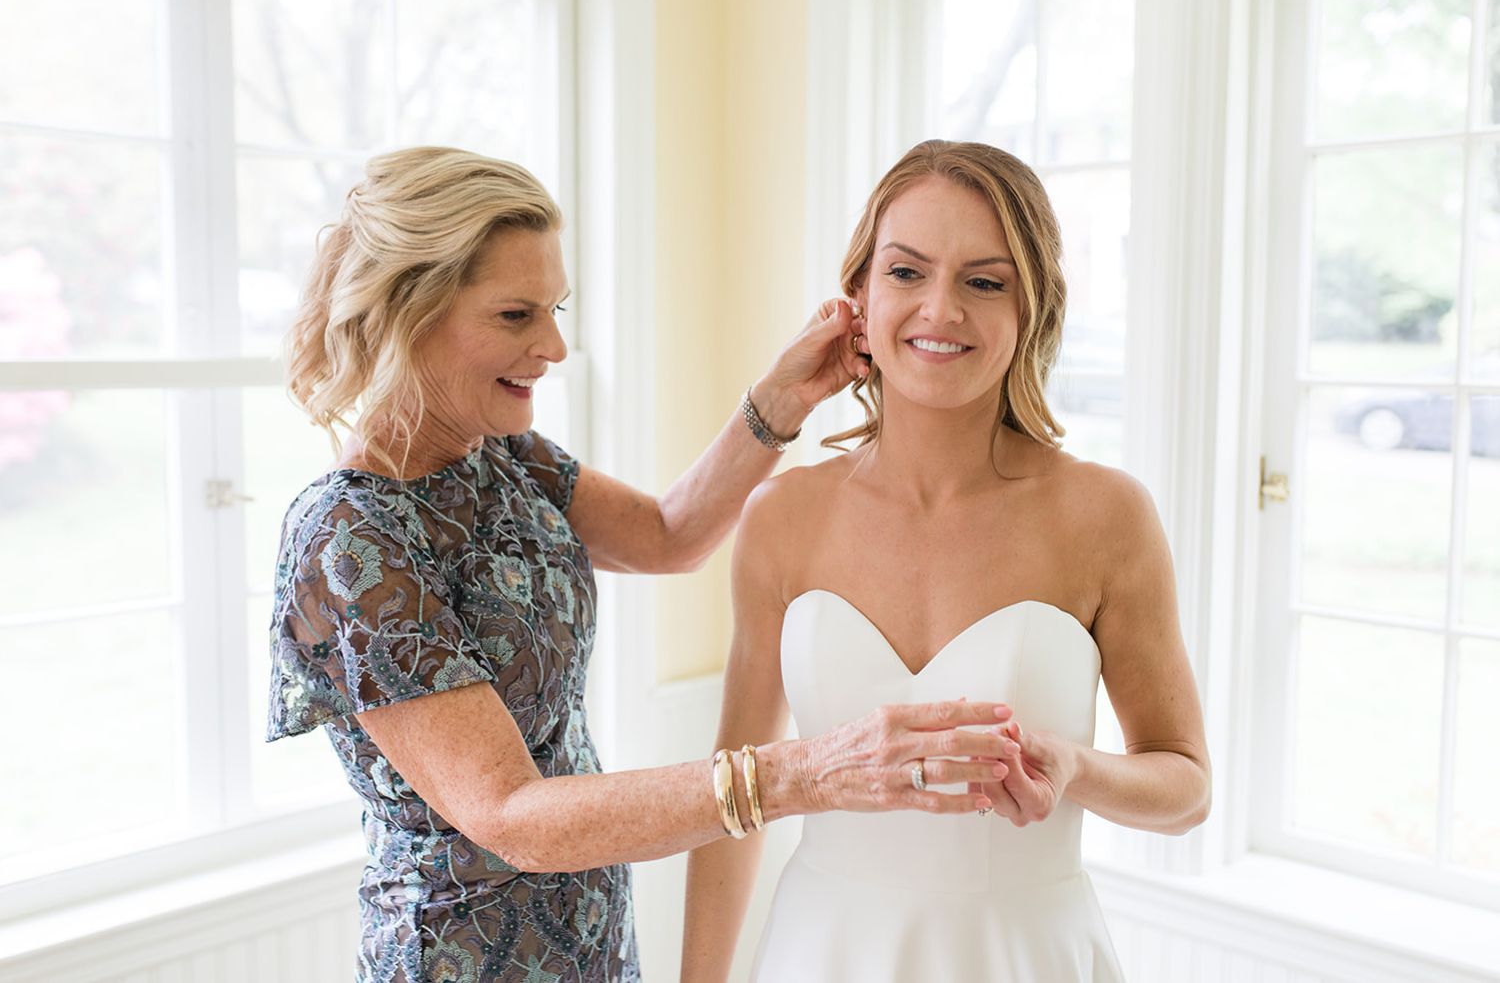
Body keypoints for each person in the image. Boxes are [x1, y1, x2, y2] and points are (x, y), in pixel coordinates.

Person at [265, 146, 1019, 983]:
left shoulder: (501, 454)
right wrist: (806, 770)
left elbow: (668, 536)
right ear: (410, 313)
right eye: (516, 316)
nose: (553, 344)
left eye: (554, 308)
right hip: (459, 962)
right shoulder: (349, 539)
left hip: (592, 947)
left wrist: (782, 400)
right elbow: (514, 816)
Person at [680, 139, 1212, 982]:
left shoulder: (1107, 515)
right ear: (857, 296)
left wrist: (1074, 770)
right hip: (823, 952)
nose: (941, 309)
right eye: (905, 272)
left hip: (1027, 955)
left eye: (984, 281)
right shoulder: (781, 515)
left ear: (1031, 309)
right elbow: (732, 797)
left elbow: (1185, 786)